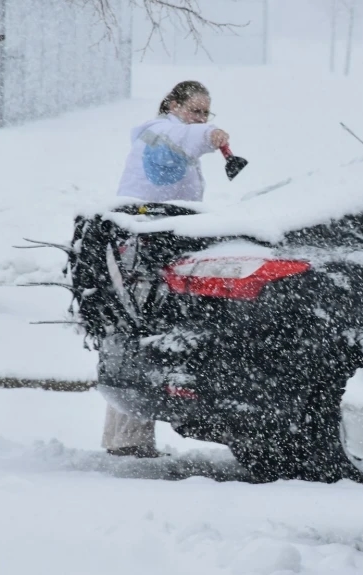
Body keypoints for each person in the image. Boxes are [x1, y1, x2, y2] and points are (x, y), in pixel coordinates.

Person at [102, 80, 230, 458]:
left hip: (150, 248)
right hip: (141, 253)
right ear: (173, 105)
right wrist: (211, 134)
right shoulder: (160, 132)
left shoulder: (166, 136)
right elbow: (185, 138)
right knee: (138, 337)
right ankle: (127, 441)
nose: (201, 118)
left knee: (140, 338)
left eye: (206, 113)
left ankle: (127, 438)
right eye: (195, 110)